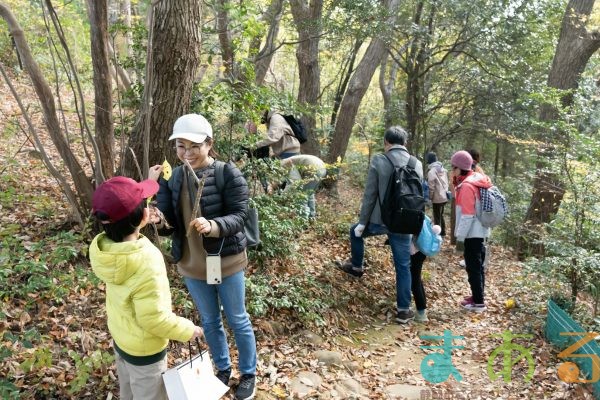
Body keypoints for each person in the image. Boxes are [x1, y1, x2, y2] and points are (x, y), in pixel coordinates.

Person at [150, 113, 257, 400]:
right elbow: (170, 219)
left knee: (237, 318)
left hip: (227, 260)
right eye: (180, 147)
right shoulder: (173, 178)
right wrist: (159, 220)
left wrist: (214, 226)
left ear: (209, 143)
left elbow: (239, 215)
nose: (187, 154)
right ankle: (222, 369)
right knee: (209, 321)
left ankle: (248, 373)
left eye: (194, 146)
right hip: (192, 263)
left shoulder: (227, 174)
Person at [89, 174, 204, 400]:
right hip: (145, 352)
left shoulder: (104, 249)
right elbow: (153, 318)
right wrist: (188, 329)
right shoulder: (146, 259)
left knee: (129, 393)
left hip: (122, 340)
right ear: (144, 216)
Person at [337, 126, 423, 324]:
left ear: (386, 142)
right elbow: (420, 196)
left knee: (354, 232)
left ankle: (357, 267)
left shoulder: (380, 160)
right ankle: (403, 310)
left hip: (380, 221)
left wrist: (362, 222)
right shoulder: (416, 163)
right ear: (405, 143)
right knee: (403, 266)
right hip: (404, 222)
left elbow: (370, 195)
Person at [451, 150, 492, 313]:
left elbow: (467, 215)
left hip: (472, 234)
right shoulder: (476, 180)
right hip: (481, 231)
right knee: (478, 266)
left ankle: (479, 303)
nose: (452, 170)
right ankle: (477, 296)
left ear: (460, 168)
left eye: (453, 167)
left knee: (473, 267)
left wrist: (460, 239)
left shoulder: (467, 186)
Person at [280, 154, 327, 219]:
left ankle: (303, 220)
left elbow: (293, 182)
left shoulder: (284, 164)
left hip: (313, 169)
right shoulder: (288, 161)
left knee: (302, 196)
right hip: (322, 168)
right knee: (309, 193)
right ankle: (311, 217)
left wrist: (282, 197)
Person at [425, 152, 449, 236]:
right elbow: (446, 183)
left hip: (437, 197)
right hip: (444, 196)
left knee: (436, 216)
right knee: (440, 214)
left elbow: (431, 187)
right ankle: (443, 232)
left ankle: (437, 234)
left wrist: (430, 197)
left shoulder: (431, 171)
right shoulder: (443, 170)